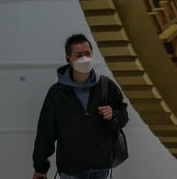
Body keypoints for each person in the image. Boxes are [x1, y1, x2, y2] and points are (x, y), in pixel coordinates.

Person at [31, 34, 128, 179]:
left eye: (87, 53)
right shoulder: (57, 93)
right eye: (79, 55)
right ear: (69, 58)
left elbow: (123, 116)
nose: (84, 58)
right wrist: (40, 168)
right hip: (70, 169)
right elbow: (46, 132)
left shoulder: (106, 87)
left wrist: (113, 116)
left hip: (100, 168)